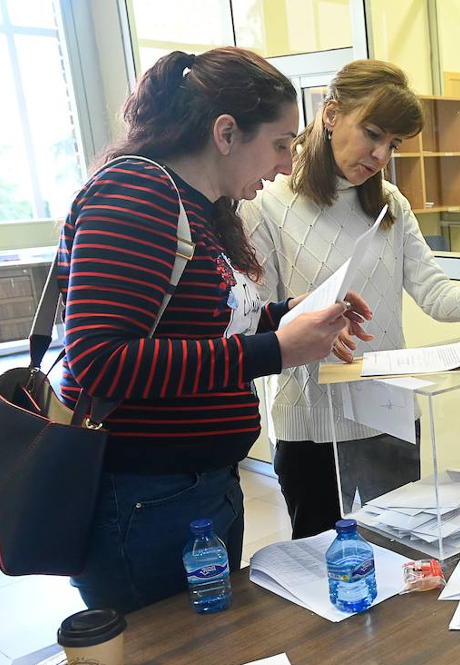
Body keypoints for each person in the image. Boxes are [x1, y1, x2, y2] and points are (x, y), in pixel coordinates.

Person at [58, 47, 372, 612]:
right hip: (145, 494)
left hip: (196, 486)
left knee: (208, 652)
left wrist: (291, 314)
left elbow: (210, 324)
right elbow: (99, 358)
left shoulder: (200, 209)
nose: (283, 165)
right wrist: (274, 349)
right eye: (279, 145)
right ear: (226, 132)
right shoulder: (138, 195)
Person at [241, 59, 460, 539]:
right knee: (327, 568)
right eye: (372, 134)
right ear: (331, 115)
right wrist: (313, 324)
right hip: (311, 427)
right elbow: (261, 321)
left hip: (391, 413)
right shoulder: (267, 203)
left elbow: (434, 294)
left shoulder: (390, 203)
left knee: (403, 555)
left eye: (393, 144)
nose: (380, 154)